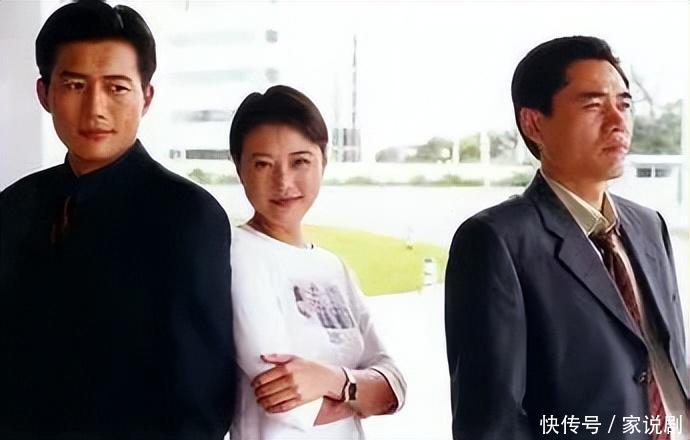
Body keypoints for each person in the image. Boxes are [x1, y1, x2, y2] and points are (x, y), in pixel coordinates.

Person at [0, 1, 236, 438]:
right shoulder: (13, 207)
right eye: (74, 85)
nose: (95, 108)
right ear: (44, 94)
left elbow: (200, 400)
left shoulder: (187, 217)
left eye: (117, 87)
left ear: (146, 97)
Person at [445, 36, 689, 440]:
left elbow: (668, 364)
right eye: (593, 105)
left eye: (624, 104)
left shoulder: (650, 227)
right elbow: (491, 422)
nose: (617, 121)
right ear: (534, 123)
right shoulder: (496, 241)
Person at [228, 85, 406, 439]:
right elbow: (290, 407)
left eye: (300, 161)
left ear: (323, 160)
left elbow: (395, 388)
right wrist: (363, 393)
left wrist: (331, 380)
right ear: (239, 168)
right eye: (263, 164)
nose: (283, 181)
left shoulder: (332, 267)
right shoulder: (238, 254)